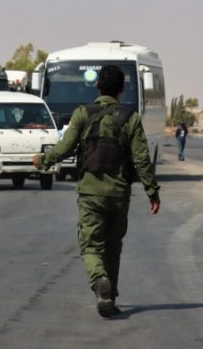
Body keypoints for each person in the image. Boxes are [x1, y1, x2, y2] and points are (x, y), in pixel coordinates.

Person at [33, 65, 160, 318]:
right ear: (121, 90)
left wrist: (43, 160)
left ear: (98, 86)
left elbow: (65, 147)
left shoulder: (83, 113)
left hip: (91, 194)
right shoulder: (130, 118)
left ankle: (100, 280)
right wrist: (152, 192)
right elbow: (142, 160)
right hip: (119, 194)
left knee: (91, 246)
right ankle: (109, 299)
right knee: (113, 247)